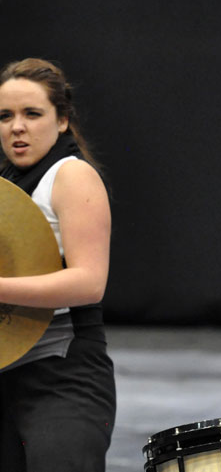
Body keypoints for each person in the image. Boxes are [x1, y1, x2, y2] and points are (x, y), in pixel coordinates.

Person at [0, 58, 115, 472]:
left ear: (62, 120)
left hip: (62, 377)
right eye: (5, 116)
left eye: (32, 114)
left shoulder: (72, 176)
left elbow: (89, 283)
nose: (17, 127)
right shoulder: (5, 184)